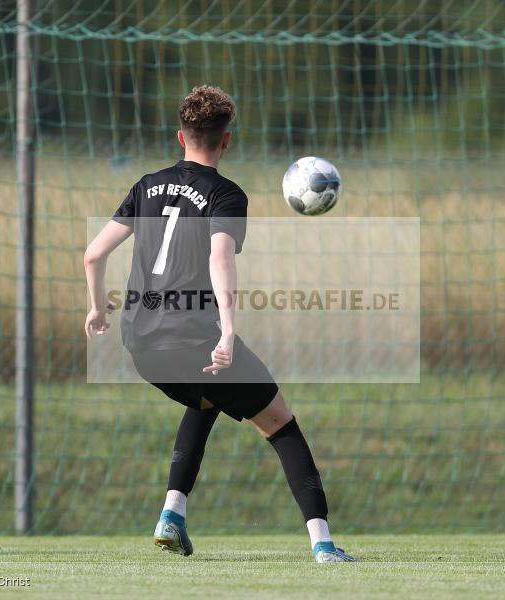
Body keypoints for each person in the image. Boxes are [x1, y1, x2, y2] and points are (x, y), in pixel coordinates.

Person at [83, 85, 355, 563]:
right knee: (280, 424)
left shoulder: (147, 184)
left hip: (142, 345)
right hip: (194, 338)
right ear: (226, 140)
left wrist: (96, 308)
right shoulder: (226, 194)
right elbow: (220, 255)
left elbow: (93, 254)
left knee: (207, 398)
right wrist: (227, 331)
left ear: (179, 137)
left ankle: (172, 515)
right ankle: (324, 545)